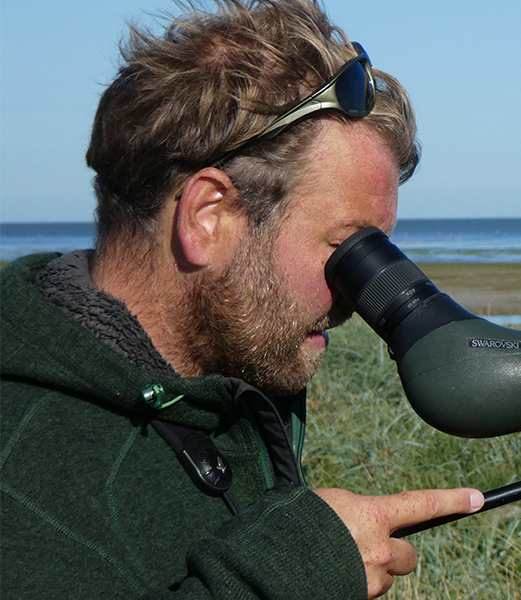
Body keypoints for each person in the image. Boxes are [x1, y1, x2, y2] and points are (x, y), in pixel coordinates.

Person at [0, 1, 482, 597]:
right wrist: (291, 575)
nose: (355, 299)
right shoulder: (22, 463)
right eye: (344, 247)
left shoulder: (229, 391)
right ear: (208, 216)